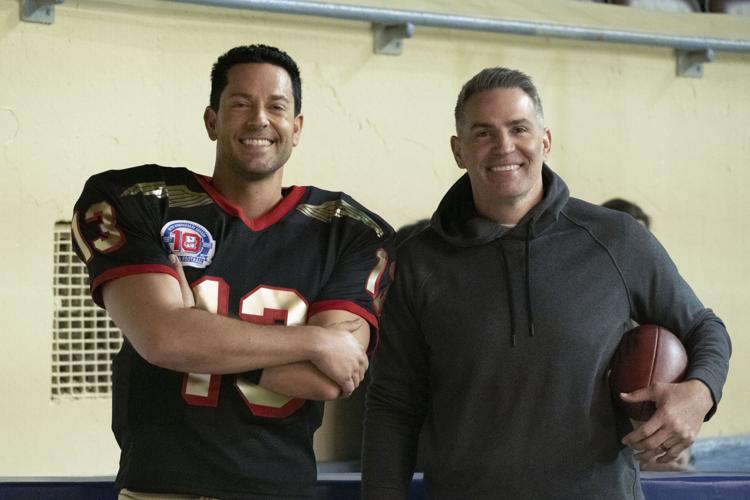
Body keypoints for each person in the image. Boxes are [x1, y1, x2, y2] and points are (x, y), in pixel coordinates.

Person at [362, 67, 730, 499]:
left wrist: (700, 392)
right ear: (459, 150)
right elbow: (393, 404)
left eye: (519, 129)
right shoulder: (420, 261)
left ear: (545, 141)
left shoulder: (616, 238)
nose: (504, 146)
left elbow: (705, 329)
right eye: (484, 133)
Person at [71, 44, 393, 499]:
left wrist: (195, 334)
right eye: (240, 103)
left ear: (296, 128)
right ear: (211, 120)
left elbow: (329, 378)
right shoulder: (139, 198)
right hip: (160, 489)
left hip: (279, 490)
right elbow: (163, 338)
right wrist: (314, 340)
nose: (259, 119)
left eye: (276, 106)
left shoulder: (350, 230)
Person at [602, 197, 694, 472]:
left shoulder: (661, 321)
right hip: (603, 451)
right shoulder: (586, 315)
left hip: (654, 445)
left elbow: (708, 333)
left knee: (681, 468)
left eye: (643, 241)